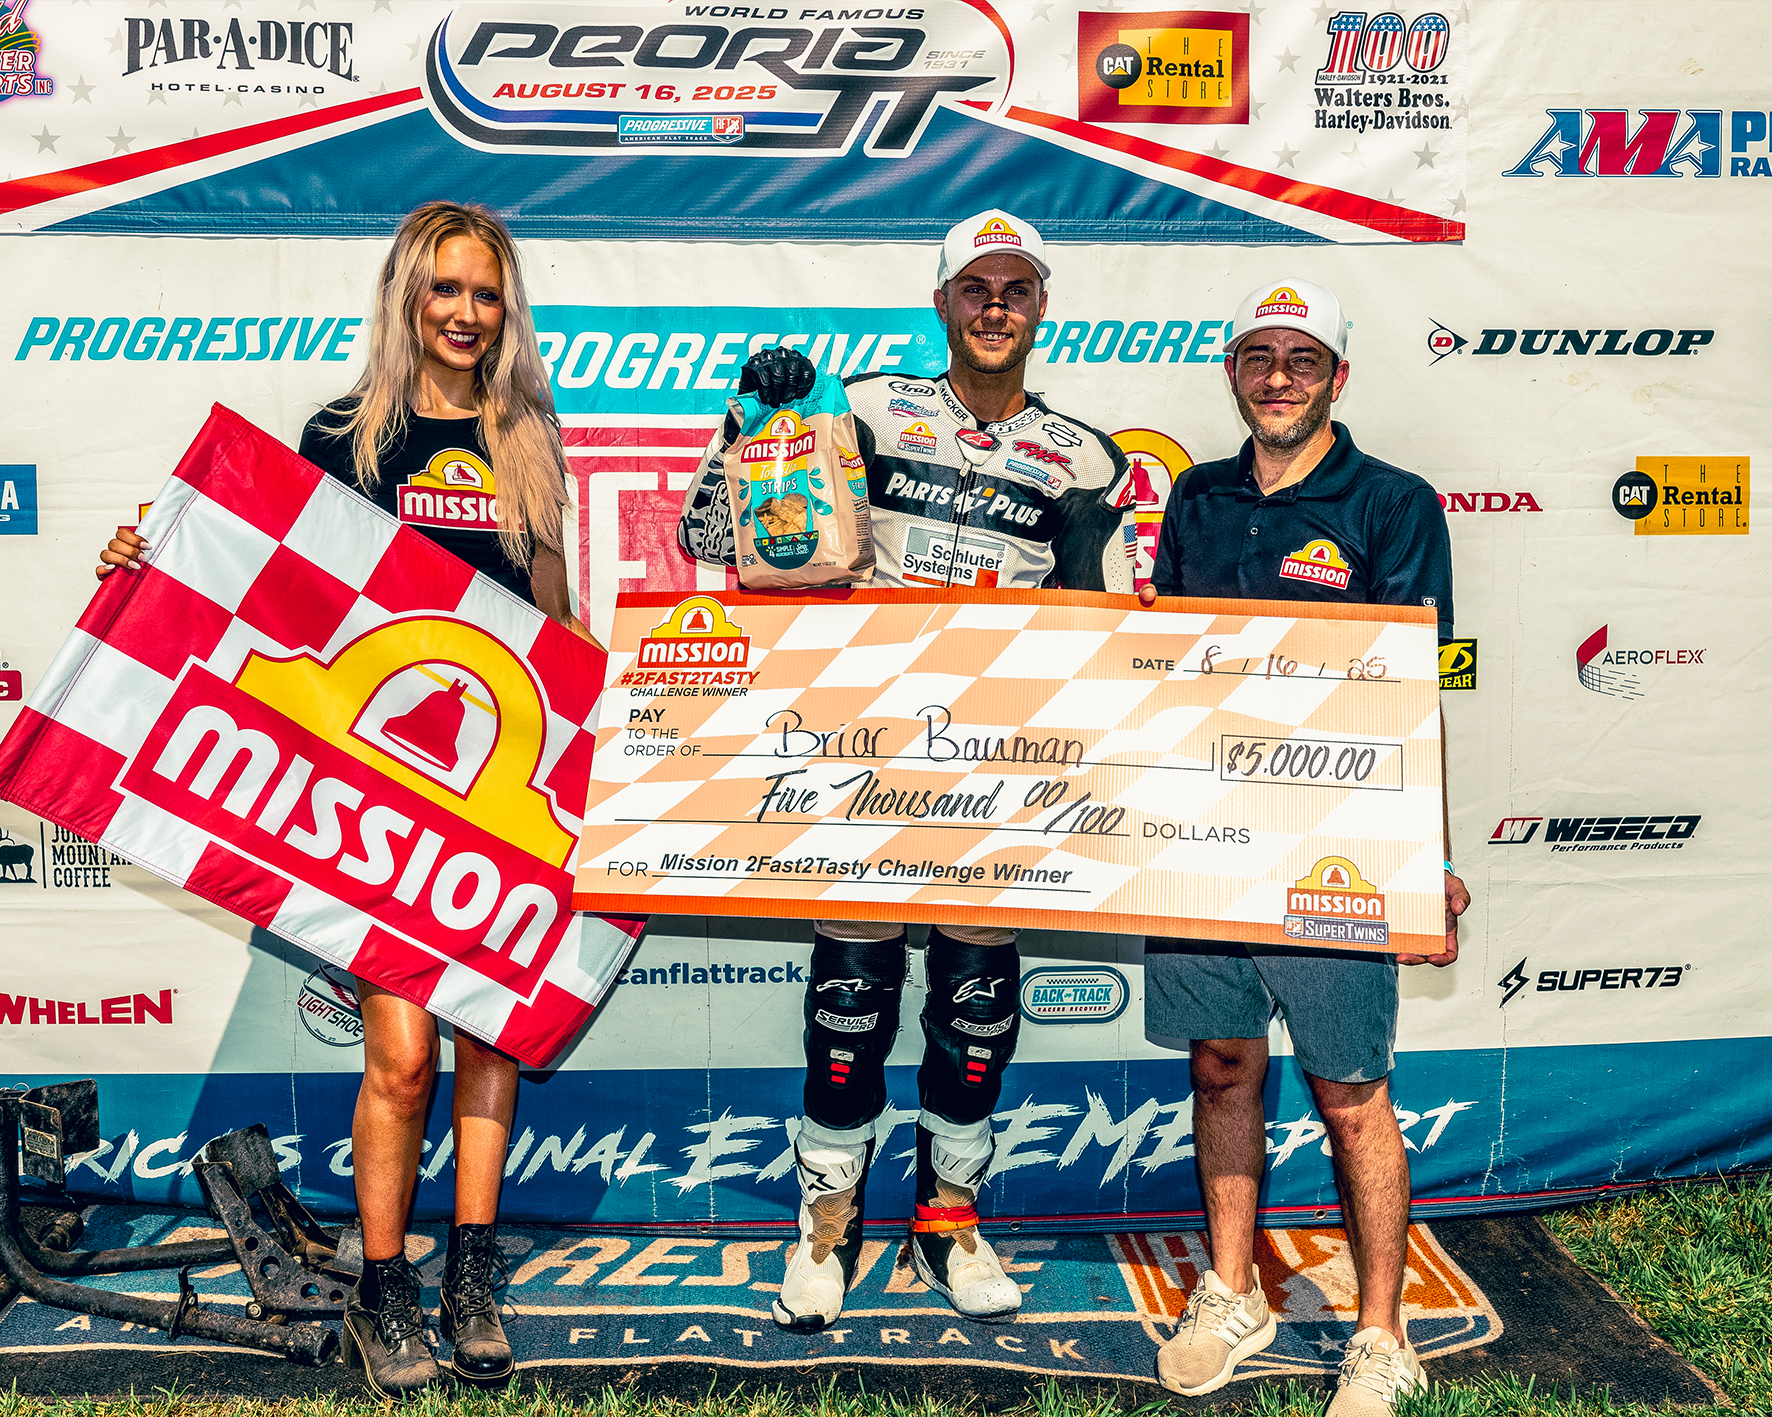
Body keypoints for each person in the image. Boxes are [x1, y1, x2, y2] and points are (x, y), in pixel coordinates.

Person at [99, 201, 599, 1400]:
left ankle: (469, 1278)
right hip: (376, 793)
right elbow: (272, 597)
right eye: (445, 290)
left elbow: (555, 617)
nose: (467, 314)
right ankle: (387, 1286)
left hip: (495, 792)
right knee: (403, 1052)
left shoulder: (527, 434)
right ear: (406, 296)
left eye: (486, 293)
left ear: (505, 306)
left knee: (491, 1036)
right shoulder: (343, 434)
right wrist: (151, 568)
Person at [677, 210, 1134, 1330]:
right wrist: (755, 420)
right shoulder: (870, 408)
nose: (993, 307)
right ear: (941, 304)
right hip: (862, 748)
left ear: (1039, 307)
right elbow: (712, 534)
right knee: (849, 1002)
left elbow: (1104, 625)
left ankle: (950, 1224)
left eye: (1014, 289)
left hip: (999, 761)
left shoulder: (1085, 455)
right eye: (974, 288)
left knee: (975, 1007)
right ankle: (825, 1228)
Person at [1138, 278, 1472, 1416]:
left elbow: (1414, 697)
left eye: (1300, 358)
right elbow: (1160, 677)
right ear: (1234, 370)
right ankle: (1231, 1291)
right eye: (1257, 356)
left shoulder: (1391, 502)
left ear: (1337, 374)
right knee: (1221, 1065)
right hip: (1201, 837)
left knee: (1348, 1093)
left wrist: (1422, 861)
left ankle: (1380, 1334)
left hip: (1336, 844)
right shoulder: (1195, 495)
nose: (1277, 376)